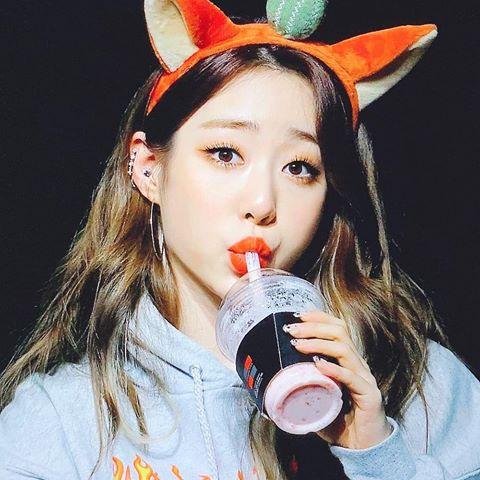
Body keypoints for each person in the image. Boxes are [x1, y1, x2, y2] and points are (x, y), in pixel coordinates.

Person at [1, 0, 479, 479]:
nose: (262, 202)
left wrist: (378, 456)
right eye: (225, 153)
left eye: (299, 167)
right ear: (149, 169)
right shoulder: (59, 424)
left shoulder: (419, 382)